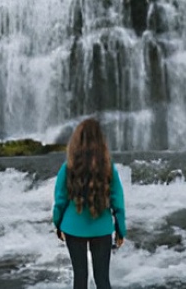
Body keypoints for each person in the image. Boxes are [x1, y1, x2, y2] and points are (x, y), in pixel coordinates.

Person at [51, 117, 126, 289]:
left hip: (72, 227)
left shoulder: (68, 167)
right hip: (102, 228)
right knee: (102, 280)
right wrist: (120, 229)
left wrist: (58, 224)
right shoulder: (108, 166)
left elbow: (60, 200)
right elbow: (118, 201)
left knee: (79, 278)